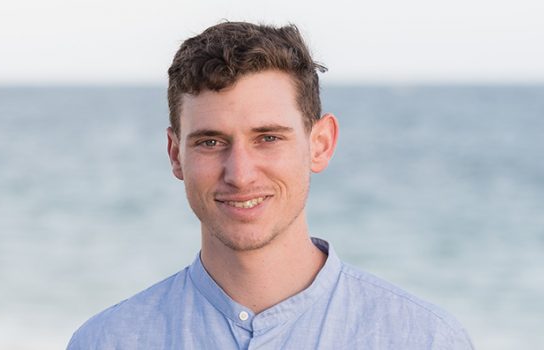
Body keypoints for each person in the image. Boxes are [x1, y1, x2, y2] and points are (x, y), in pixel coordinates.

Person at [67, 21, 473, 349]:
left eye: (268, 138)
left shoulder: (424, 339)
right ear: (175, 154)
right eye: (210, 142)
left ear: (320, 144)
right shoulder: (107, 341)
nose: (240, 173)